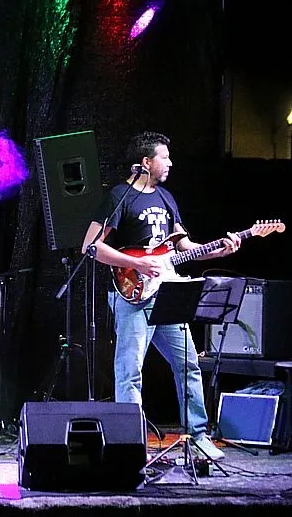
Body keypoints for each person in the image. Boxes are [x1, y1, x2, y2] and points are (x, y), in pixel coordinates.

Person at [81, 132, 240, 462]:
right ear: (146, 162)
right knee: (130, 371)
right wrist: (138, 263)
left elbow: (185, 248)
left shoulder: (166, 198)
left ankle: (198, 437)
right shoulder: (119, 197)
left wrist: (217, 251)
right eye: (164, 157)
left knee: (189, 364)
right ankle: (129, 444)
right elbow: (91, 247)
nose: (170, 163)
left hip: (166, 296)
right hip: (132, 296)